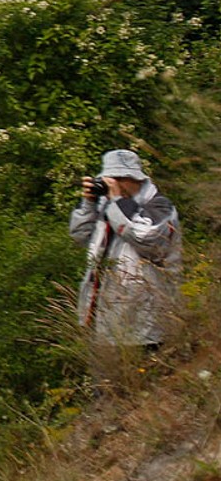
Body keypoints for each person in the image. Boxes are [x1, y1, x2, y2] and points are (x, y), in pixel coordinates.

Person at [70, 148, 183, 349]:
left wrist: (117, 201)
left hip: (148, 322)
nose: (115, 183)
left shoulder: (160, 206)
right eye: (111, 178)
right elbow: (79, 235)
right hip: (107, 318)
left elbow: (146, 239)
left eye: (120, 178)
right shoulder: (106, 206)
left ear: (136, 179)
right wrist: (89, 204)